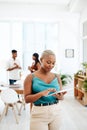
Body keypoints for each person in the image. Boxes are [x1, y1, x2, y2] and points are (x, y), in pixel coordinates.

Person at [24, 50, 66, 130]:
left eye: (53, 63)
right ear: (41, 60)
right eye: (48, 62)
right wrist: (41, 94)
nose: (51, 65)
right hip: (39, 113)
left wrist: (60, 97)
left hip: (56, 112)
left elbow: (61, 97)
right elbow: (26, 99)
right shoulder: (30, 77)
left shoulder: (57, 76)